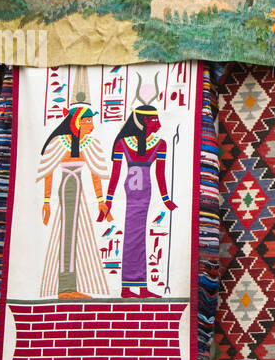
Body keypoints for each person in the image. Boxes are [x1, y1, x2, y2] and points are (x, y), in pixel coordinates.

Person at [37, 103, 109, 299]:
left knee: (73, 237)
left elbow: (95, 173)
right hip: (68, 189)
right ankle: (65, 288)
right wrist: (46, 201)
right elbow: (48, 171)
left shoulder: (87, 143)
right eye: (87, 122)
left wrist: (101, 200)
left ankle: (69, 287)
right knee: (67, 237)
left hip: (77, 189)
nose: (92, 127)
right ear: (77, 123)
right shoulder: (61, 143)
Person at [105, 104, 176, 298]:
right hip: (132, 193)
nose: (159, 124)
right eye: (154, 120)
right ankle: (128, 288)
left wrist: (166, 199)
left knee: (139, 237)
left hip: (146, 193)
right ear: (143, 122)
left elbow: (160, 174)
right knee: (132, 237)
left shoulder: (160, 144)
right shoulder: (123, 143)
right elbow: (116, 174)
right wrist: (109, 200)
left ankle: (140, 287)